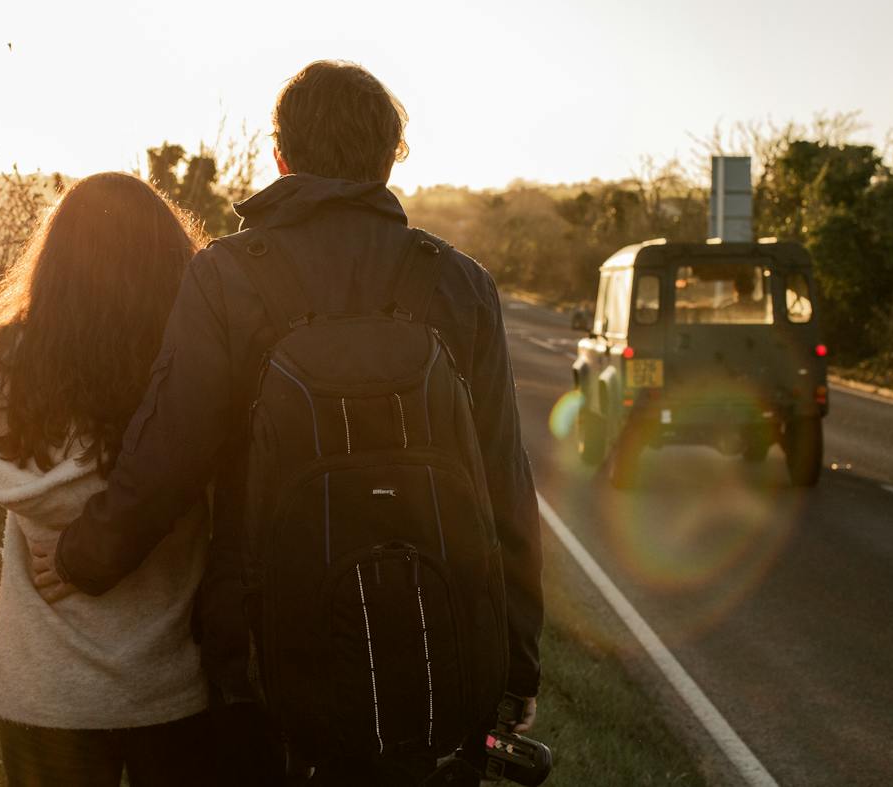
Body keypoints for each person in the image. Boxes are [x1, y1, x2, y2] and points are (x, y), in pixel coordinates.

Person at [30, 62, 545, 784]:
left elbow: (168, 453)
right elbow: (505, 483)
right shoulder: (460, 283)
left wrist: (85, 557)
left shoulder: (228, 275)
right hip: (441, 643)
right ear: (390, 157)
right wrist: (517, 665)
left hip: (266, 655)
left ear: (280, 156)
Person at [0, 172, 213, 787]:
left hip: (45, 688)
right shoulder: (185, 377)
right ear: (169, 262)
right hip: (171, 680)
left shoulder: (2, 381)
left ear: (55, 264)